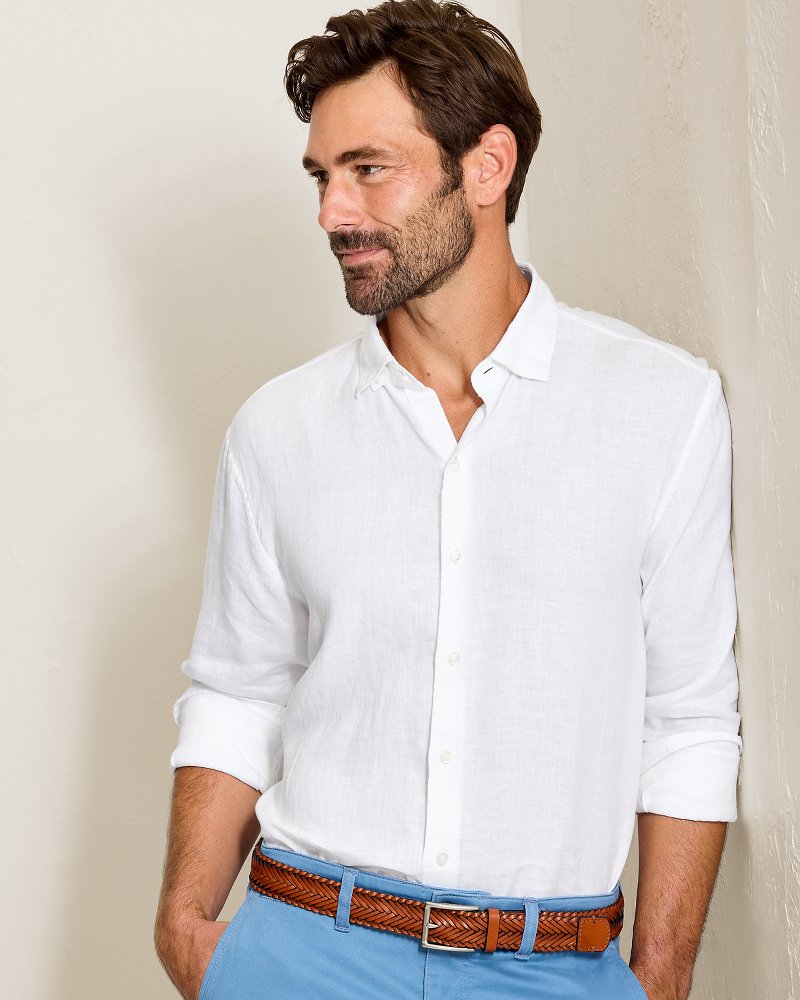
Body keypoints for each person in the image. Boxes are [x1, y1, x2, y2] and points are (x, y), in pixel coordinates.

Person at [154, 2, 742, 998]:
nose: (331, 213)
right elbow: (239, 689)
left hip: (551, 966)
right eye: (321, 176)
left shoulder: (662, 408)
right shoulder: (277, 429)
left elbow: (687, 718)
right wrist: (187, 930)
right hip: (301, 950)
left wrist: (660, 974)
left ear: (486, 167)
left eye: (367, 169)